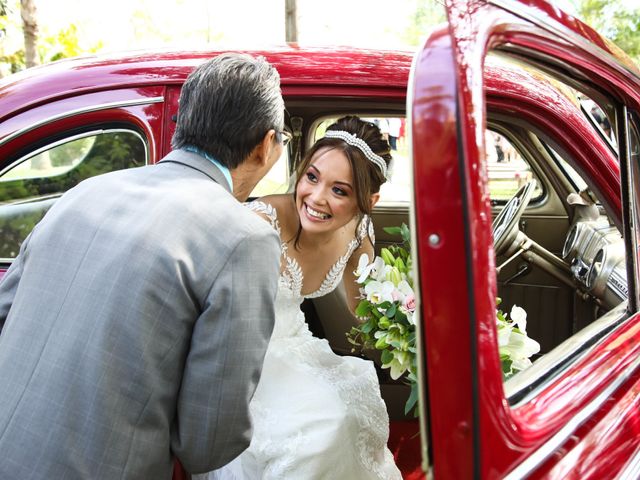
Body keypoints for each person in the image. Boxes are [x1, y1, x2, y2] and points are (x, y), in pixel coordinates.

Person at [0, 53, 286, 479]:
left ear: (182, 125)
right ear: (266, 145)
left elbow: (5, 312)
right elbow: (206, 443)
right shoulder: (244, 239)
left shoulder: (86, 191)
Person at [201, 116, 402, 479]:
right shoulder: (260, 224)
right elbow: (219, 314)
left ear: (368, 201)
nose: (316, 197)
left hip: (295, 344)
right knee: (325, 427)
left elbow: (366, 312)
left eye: (339, 191)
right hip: (245, 357)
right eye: (312, 177)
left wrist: (407, 326)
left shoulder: (359, 233)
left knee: (357, 406)